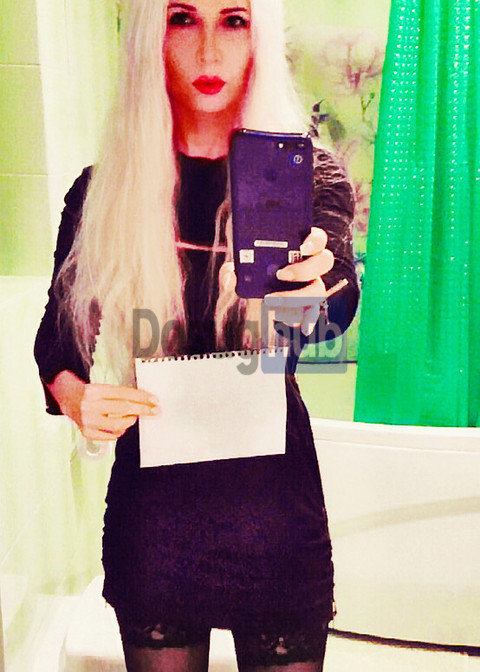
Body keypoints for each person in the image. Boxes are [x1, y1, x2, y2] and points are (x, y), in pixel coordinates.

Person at [34, 0, 359, 670]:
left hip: (275, 514)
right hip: (156, 517)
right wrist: (75, 396)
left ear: (258, 36)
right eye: (182, 18)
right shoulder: (105, 192)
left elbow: (336, 300)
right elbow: (59, 343)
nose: (209, 50)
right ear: (150, 36)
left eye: (233, 20)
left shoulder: (307, 178)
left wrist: (314, 290)